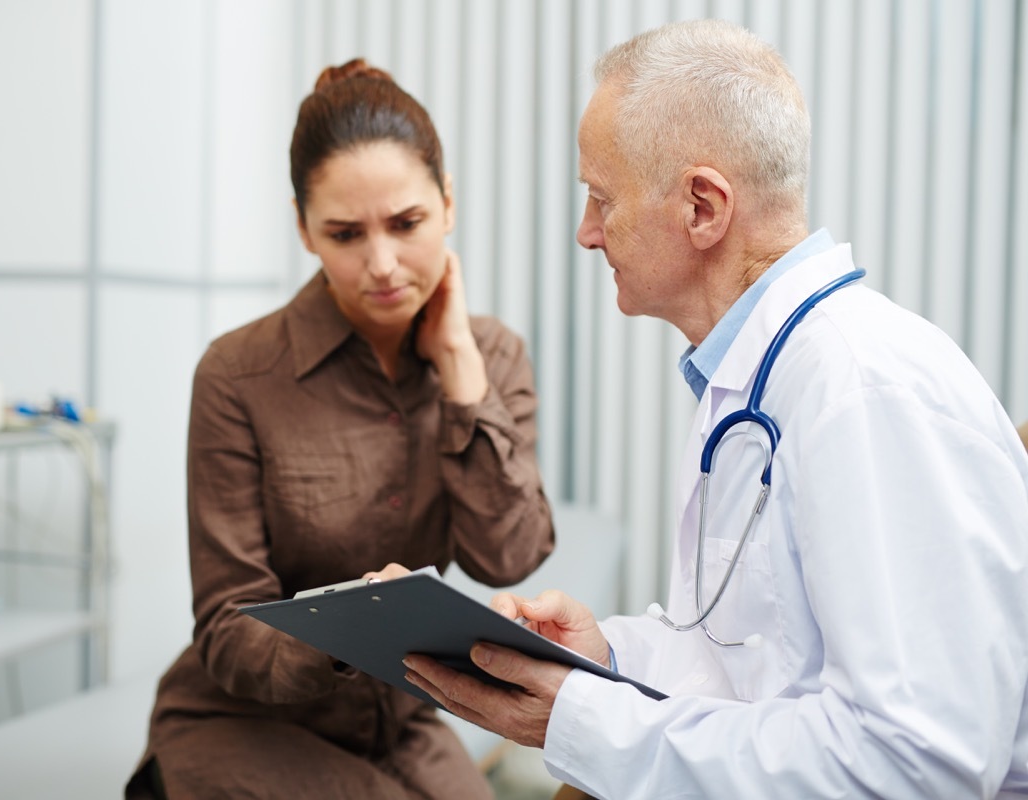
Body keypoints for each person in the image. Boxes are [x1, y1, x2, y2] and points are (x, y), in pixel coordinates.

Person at [402, 19, 1028, 799]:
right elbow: (752, 667)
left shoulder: (864, 389)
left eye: (601, 198)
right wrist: (611, 659)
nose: (586, 233)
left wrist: (584, 719)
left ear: (702, 206)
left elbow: (916, 764)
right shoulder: (747, 384)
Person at [125, 58, 555, 799]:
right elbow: (226, 627)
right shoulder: (237, 374)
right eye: (345, 233)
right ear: (303, 229)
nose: (382, 264)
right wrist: (354, 625)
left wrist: (459, 367)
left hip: (401, 716)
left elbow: (509, 556)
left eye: (407, 224)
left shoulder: (492, 356)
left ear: (448, 204)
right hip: (247, 722)